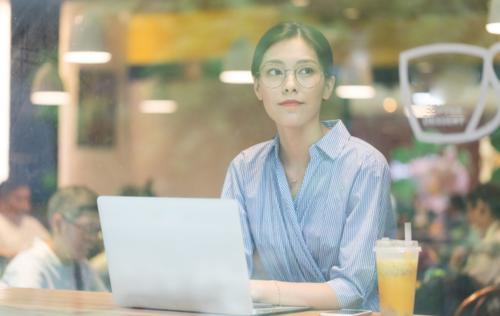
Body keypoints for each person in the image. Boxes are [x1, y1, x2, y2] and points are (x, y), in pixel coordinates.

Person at [221, 22, 395, 310]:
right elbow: (227, 273)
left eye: (305, 71)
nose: (290, 84)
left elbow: (353, 289)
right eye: (275, 72)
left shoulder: (365, 166)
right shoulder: (244, 170)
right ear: (257, 87)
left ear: (327, 85)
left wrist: (264, 290)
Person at [0, 186, 107, 291]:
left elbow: (105, 301)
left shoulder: (81, 266)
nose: (93, 238)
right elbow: (25, 308)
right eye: (87, 228)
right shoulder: (30, 266)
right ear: (58, 223)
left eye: (96, 230)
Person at [0, 179, 49, 261]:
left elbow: (48, 244)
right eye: (19, 199)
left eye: (27, 199)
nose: (26, 205)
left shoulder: (31, 222)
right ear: (3, 199)